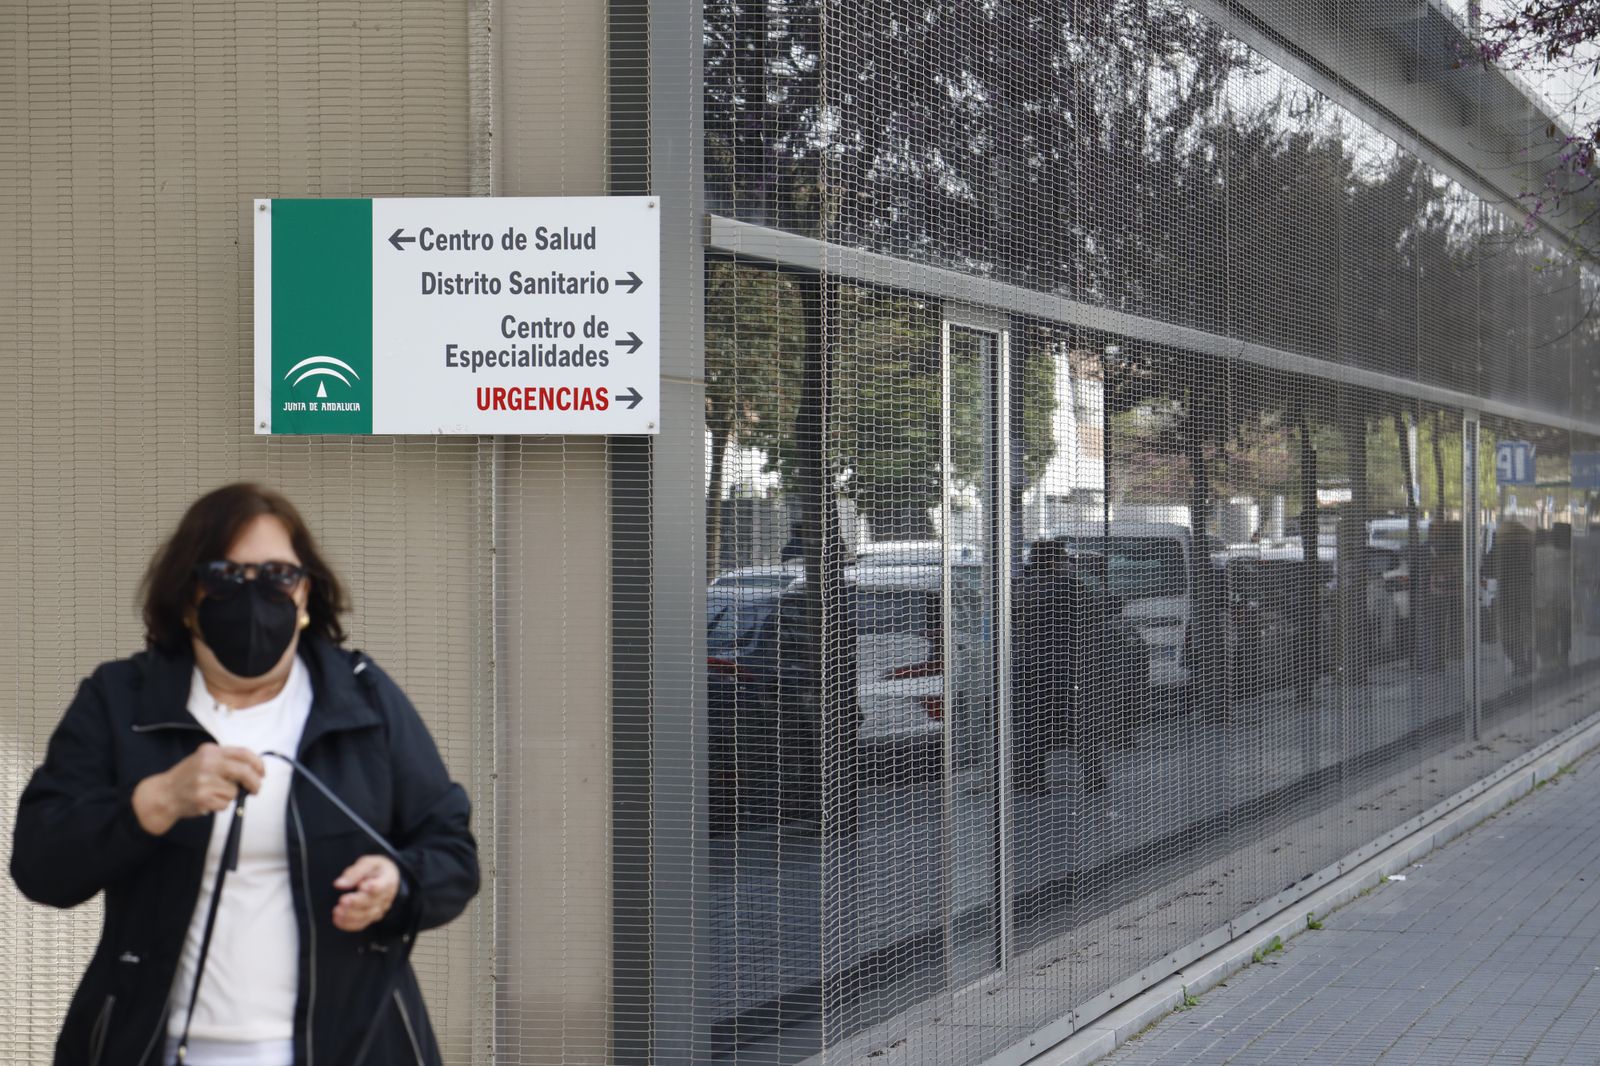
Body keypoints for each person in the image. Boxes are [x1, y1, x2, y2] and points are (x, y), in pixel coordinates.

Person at [11, 483, 480, 1066]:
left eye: (278, 575)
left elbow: (452, 851)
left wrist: (399, 884)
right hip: (156, 1048)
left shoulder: (363, 701)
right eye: (226, 575)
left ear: (306, 593)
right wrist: (152, 804)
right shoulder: (120, 700)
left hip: (353, 1048)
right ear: (187, 597)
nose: (254, 595)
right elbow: (39, 864)